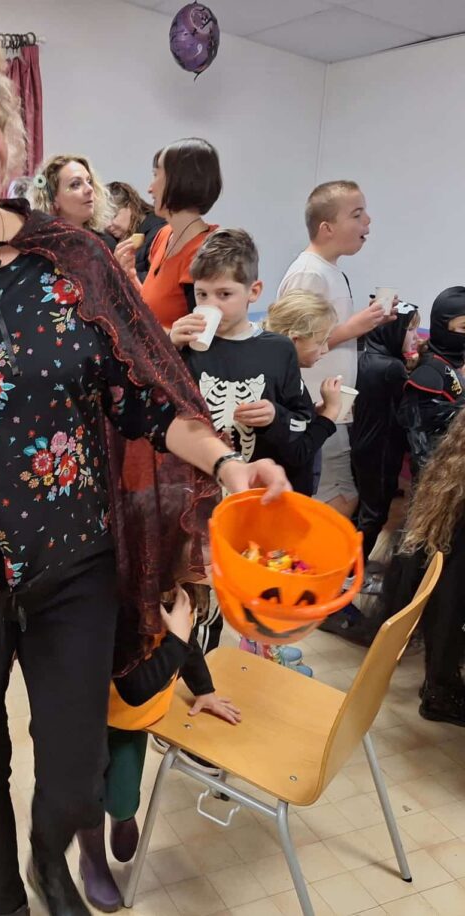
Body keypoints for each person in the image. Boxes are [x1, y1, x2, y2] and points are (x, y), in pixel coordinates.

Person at [0, 18, 289, 916]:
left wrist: (228, 467)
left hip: (72, 568)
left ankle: (47, 860)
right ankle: (8, 903)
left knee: (70, 769)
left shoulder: (72, 261)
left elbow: (152, 397)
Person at [169, 230, 314, 668]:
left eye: (225, 293)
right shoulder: (187, 348)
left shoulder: (277, 350)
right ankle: (187, 674)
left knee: (243, 585)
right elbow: (154, 409)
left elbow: (303, 418)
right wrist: (167, 346)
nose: (210, 304)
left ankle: (245, 657)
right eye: (201, 293)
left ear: (254, 291)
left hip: (249, 494)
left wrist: (276, 417)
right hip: (190, 495)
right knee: (196, 593)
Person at [75, 587, 240, 912]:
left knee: (123, 794)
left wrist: (204, 690)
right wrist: (176, 640)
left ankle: (122, 814)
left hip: (131, 723)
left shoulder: (185, 591)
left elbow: (189, 644)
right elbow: (135, 687)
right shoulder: (123, 604)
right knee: (85, 795)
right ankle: (92, 860)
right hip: (83, 717)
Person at [277, 180, 393, 519]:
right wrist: (357, 325)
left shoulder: (329, 271)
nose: (367, 223)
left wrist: (368, 322)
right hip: (317, 404)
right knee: (338, 496)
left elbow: (324, 333)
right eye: (357, 215)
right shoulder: (309, 273)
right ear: (327, 228)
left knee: (336, 492)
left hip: (332, 404)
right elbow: (291, 345)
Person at [380, 407, 465, 726]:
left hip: (444, 556)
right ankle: (440, 691)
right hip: (452, 564)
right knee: (448, 610)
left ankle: (440, 686)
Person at [120, 138, 221, 329]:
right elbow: (156, 311)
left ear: (179, 181)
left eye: (156, 175)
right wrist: (131, 277)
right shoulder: (164, 235)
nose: (150, 188)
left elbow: (199, 337)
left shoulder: (206, 253)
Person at [350, 302, 420, 563]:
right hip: (380, 449)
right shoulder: (392, 367)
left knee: (363, 511)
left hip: (365, 444)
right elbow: (406, 412)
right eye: (409, 330)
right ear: (393, 331)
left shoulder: (368, 358)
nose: (415, 337)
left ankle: (346, 570)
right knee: (374, 515)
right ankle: (352, 575)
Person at [262, 289, 343, 496]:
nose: (325, 350)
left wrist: (312, 414)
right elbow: (298, 451)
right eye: (320, 342)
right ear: (294, 340)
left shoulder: (281, 371)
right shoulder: (279, 382)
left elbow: (288, 423)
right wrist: (329, 415)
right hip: (284, 491)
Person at [399, 286, 465, 476]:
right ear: (441, 326)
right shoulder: (429, 374)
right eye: (464, 327)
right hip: (441, 476)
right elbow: (420, 444)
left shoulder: (452, 363)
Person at [27, 153, 117, 249]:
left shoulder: (105, 244)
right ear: (53, 199)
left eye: (89, 181)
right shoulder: (39, 249)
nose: (89, 189)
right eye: (75, 184)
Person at [105, 181, 165, 282]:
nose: (108, 225)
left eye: (113, 216)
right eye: (104, 218)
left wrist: (123, 274)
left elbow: (158, 280)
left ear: (131, 207)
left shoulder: (158, 232)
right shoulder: (112, 239)